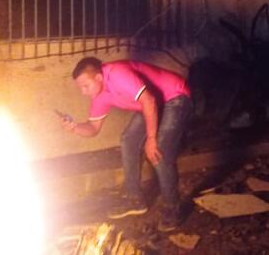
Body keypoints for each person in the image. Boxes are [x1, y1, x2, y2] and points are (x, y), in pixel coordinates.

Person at [60, 57, 192, 231]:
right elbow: (93, 128)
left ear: (99, 78)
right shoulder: (100, 96)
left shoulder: (118, 74)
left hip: (174, 96)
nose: (83, 92)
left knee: (159, 150)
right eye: (81, 88)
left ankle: (172, 207)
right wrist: (74, 127)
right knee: (128, 140)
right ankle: (134, 200)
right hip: (151, 103)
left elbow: (149, 100)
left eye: (86, 86)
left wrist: (151, 139)